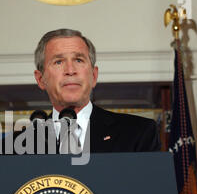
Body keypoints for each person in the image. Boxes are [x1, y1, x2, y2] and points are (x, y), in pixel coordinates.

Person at [31, 29, 160, 153]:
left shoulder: (138, 133)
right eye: (58, 62)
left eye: (79, 60)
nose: (70, 70)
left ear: (94, 76)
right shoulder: (18, 146)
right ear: (41, 79)